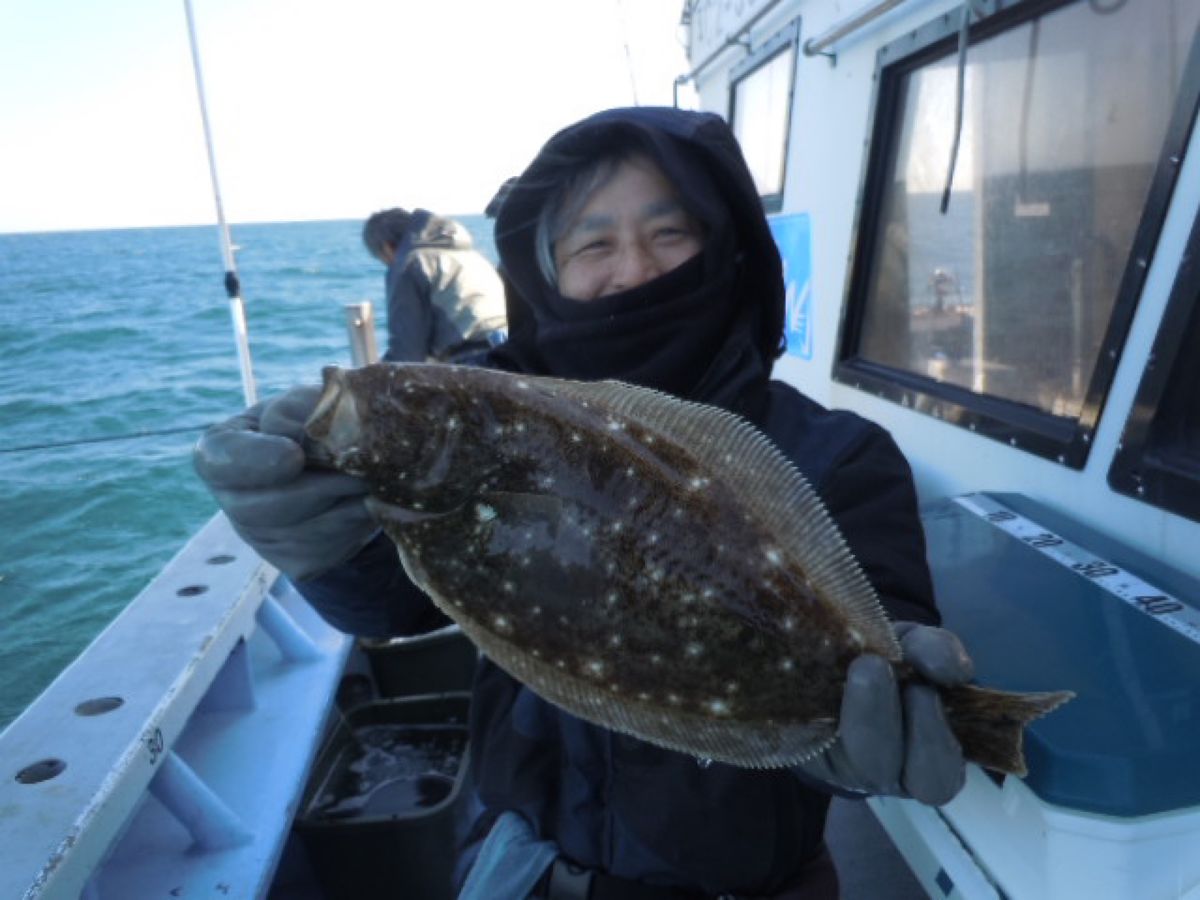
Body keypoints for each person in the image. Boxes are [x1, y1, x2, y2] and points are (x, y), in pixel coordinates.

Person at [195, 107, 975, 899]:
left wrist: (881, 719)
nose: (632, 269)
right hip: (517, 867)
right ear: (547, 275)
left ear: (729, 249)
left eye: (670, 233)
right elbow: (395, 604)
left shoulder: (841, 454)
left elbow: (887, 628)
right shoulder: (504, 418)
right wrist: (318, 541)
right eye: (593, 244)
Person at [362, 207, 507, 363]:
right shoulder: (472, 256)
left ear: (387, 247)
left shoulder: (410, 263)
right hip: (510, 349)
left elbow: (407, 354)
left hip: (474, 358)